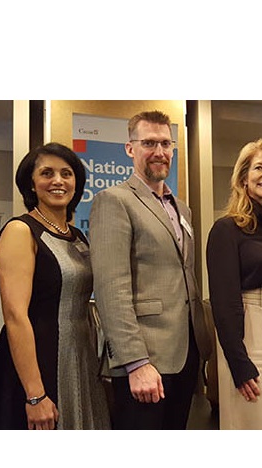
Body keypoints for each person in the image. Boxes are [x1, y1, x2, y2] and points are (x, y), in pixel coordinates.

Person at [90, 110, 212, 430]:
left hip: (186, 352)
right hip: (146, 359)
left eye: (165, 144)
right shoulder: (114, 201)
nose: (159, 152)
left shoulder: (181, 208)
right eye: (149, 143)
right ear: (130, 149)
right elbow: (111, 287)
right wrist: (135, 362)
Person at [0, 142, 110, 430]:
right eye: (47, 173)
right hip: (42, 363)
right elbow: (14, 316)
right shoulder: (20, 231)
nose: (58, 181)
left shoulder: (78, 236)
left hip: (81, 360)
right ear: (31, 184)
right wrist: (35, 395)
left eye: (66, 173)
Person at [206, 138, 262, 430]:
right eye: (259, 167)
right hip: (251, 328)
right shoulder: (227, 228)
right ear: (243, 178)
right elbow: (223, 301)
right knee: (251, 422)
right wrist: (237, 361)